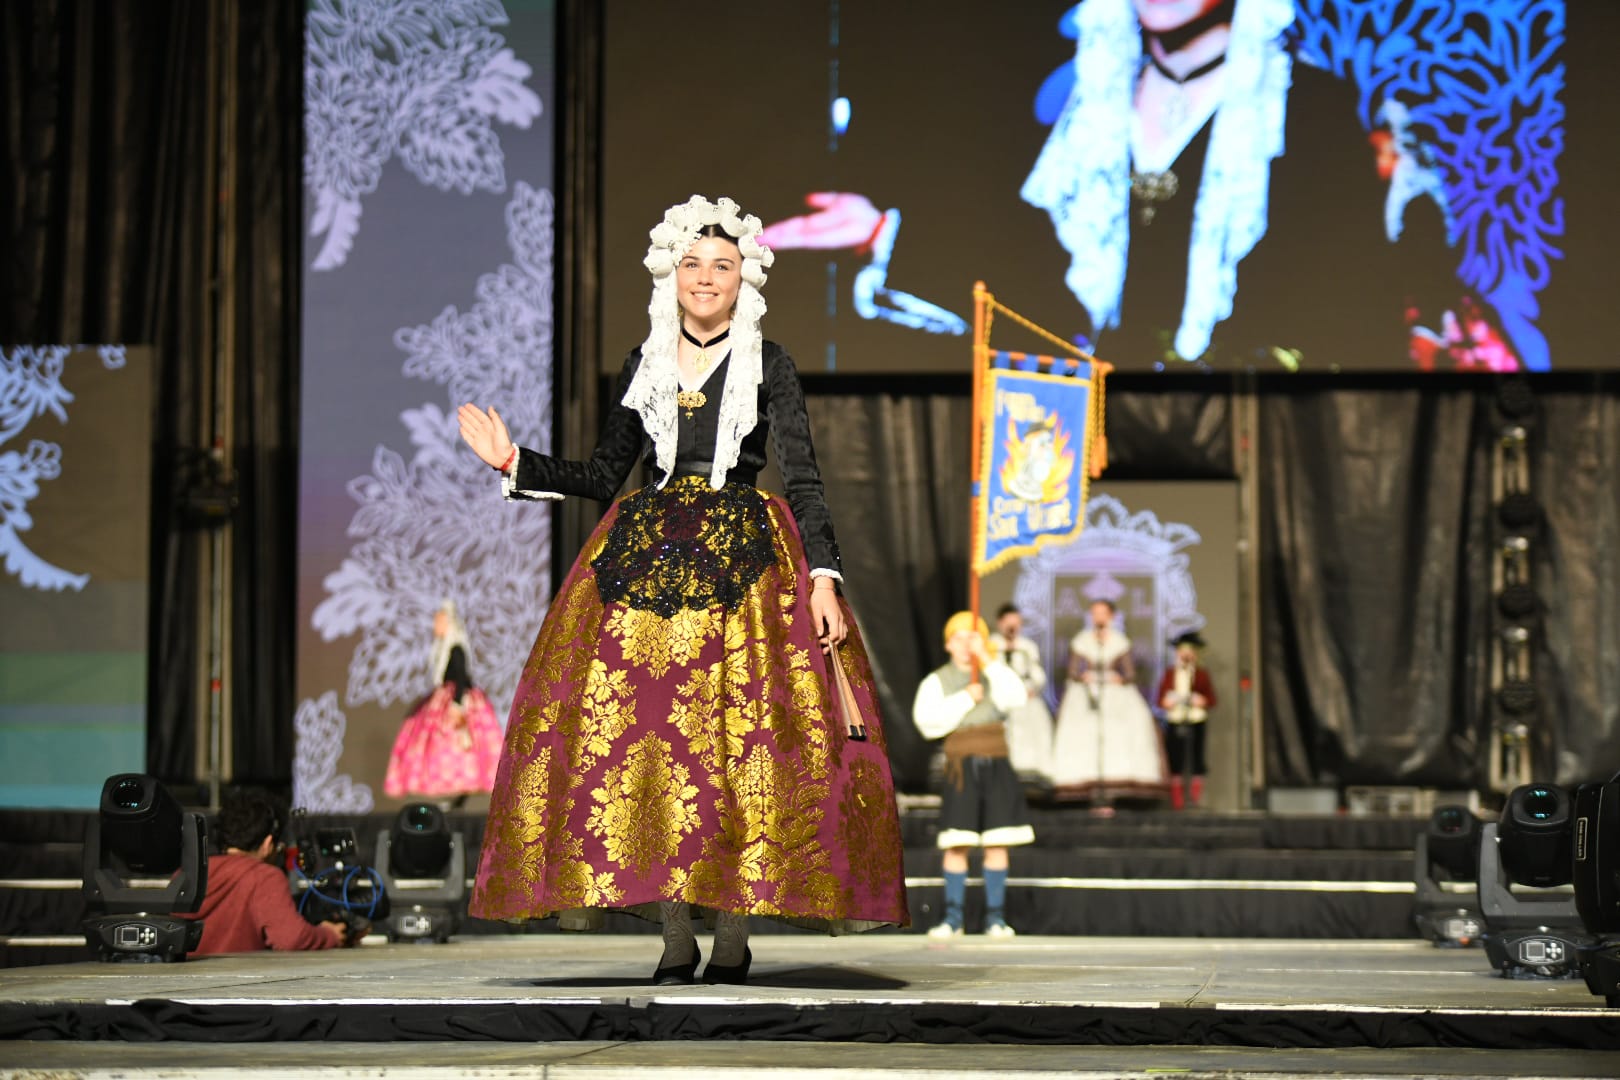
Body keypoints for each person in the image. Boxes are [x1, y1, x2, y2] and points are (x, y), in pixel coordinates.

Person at [456, 195, 908, 986]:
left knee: (739, 748)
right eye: (693, 265)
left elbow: (803, 481)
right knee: (647, 748)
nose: (706, 278)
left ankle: (731, 940)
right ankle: (674, 940)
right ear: (672, 274)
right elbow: (603, 473)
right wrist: (514, 463)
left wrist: (823, 578)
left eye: (722, 267)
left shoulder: (770, 363)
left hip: (745, 563)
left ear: (744, 281)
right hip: (644, 560)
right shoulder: (646, 361)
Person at [912, 611, 1033, 938]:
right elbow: (927, 723)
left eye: (973, 637)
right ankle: (953, 918)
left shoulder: (996, 674)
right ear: (948, 644)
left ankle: (995, 917)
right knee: (957, 843)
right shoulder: (938, 681)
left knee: (997, 842)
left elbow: (1017, 698)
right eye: (960, 638)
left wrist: (989, 661)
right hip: (961, 769)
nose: (966, 645)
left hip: (995, 766)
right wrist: (966, 697)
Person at [186, 788, 357, 955]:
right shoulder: (264, 876)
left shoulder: (190, 872)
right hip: (237, 980)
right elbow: (292, 938)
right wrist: (330, 935)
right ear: (268, 844)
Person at [383, 599, 503, 807]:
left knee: (460, 749)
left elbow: (460, 677)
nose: (435, 627)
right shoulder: (444, 647)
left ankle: (457, 799)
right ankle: (452, 800)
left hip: (457, 700)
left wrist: (457, 706)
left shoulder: (456, 648)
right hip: (447, 698)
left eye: (439, 622)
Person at [1050, 599, 1168, 798]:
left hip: (1115, 694)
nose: (1099, 617)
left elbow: (1130, 674)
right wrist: (1084, 676)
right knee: (1083, 734)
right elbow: (1072, 671)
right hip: (1087, 693)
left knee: (1119, 734)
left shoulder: (1119, 641)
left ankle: (1116, 787)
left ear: (1111, 616)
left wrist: (1117, 678)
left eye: (1103, 613)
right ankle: (1084, 786)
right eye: (1095, 613)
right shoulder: (1082, 640)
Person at [988, 602, 1056, 784]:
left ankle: (1032, 777)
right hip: (1000, 702)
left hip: (1025, 700)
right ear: (1000, 623)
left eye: (1016, 624)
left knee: (1033, 733)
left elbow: (1037, 674)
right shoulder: (991, 646)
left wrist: (1032, 687)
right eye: (1009, 623)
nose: (1012, 628)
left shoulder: (1027, 646)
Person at [1156, 631, 1217, 809]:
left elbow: (1212, 700)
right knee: (1175, 760)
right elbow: (1160, 699)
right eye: (1182, 650)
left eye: (1190, 650)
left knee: (1197, 759)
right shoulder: (1170, 674)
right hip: (1175, 720)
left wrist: (1201, 700)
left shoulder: (1201, 674)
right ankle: (1177, 802)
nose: (1185, 654)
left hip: (1196, 720)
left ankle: (1194, 800)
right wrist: (1167, 702)